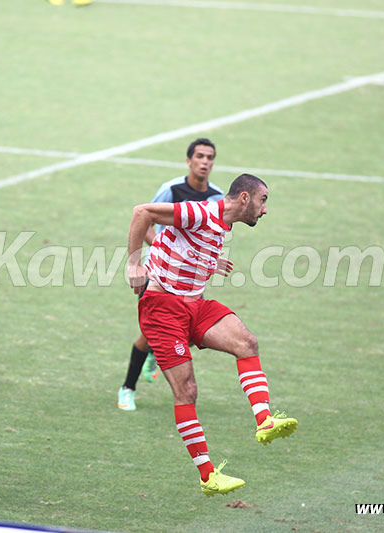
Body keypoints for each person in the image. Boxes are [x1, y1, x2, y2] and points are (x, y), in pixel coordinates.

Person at [126, 173, 298, 496]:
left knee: (247, 342)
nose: (265, 211)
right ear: (244, 199)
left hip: (195, 306)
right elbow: (141, 213)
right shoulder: (201, 212)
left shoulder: (223, 224)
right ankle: (207, 475)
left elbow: (180, 242)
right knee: (187, 390)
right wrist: (135, 264)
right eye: (263, 201)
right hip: (162, 309)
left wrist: (205, 259)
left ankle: (264, 420)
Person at [118, 138, 226, 411]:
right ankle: (127, 389)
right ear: (189, 161)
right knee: (148, 333)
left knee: (187, 330)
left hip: (191, 279)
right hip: (158, 275)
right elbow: (145, 221)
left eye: (209, 157)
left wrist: (214, 260)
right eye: (200, 156)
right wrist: (162, 249)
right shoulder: (171, 190)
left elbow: (212, 237)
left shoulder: (216, 197)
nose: (205, 161)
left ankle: (157, 351)